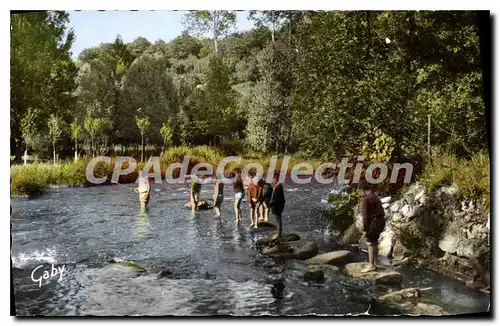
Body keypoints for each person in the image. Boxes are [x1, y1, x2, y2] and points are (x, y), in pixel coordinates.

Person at [359, 181, 386, 273]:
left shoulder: (366, 199)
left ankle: (370, 265)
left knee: (370, 243)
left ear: (363, 190)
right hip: (381, 221)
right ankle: (374, 263)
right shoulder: (375, 196)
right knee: (375, 242)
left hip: (374, 222)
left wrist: (366, 229)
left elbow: (366, 216)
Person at [269, 173, 285, 238]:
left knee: (278, 220)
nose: (272, 180)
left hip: (277, 206)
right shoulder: (278, 185)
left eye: (273, 179)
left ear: (276, 179)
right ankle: (279, 233)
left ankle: (278, 234)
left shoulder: (278, 187)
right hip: (278, 205)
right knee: (278, 219)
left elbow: (275, 198)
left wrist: (270, 204)